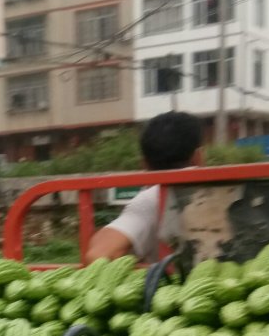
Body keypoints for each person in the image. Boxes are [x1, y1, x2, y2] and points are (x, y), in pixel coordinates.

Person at [84, 111, 203, 264]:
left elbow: (98, 255)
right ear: (198, 156)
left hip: (179, 286)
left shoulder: (153, 198)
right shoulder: (236, 186)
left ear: (144, 164)